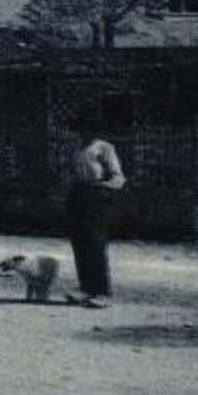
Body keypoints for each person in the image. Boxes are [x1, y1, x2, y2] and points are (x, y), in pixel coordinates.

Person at [67, 116, 126, 309]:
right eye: (82, 128)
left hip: (97, 195)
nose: (84, 131)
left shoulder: (104, 148)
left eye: (89, 127)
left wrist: (102, 189)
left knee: (95, 242)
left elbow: (118, 177)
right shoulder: (77, 148)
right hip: (78, 194)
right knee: (79, 241)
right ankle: (86, 289)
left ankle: (102, 292)